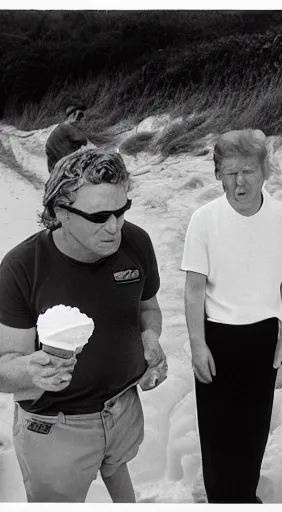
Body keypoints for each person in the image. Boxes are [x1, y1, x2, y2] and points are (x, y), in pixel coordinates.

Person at [0, 149, 167, 502]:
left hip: (122, 408)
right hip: (56, 426)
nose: (114, 226)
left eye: (122, 211)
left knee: (117, 470)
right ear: (60, 211)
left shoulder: (136, 242)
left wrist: (150, 338)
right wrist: (31, 371)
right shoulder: (22, 267)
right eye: (99, 216)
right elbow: (3, 369)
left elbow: (148, 308)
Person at [181, 129, 282, 503]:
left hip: (263, 338)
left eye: (248, 170)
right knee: (218, 441)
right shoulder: (204, 219)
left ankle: (245, 499)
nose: (240, 181)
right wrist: (198, 344)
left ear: (264, 171)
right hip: (217, 339)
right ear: (218, 174)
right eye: (230, 172)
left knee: (253, 435)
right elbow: (194, 289)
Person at [45, 104, 90, 173]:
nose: (80, 118)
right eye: (79, 115)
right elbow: (84, 141)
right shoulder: (67, 127)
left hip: (54, 165)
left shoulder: (61, 126)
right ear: (71, 115)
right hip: (62, 166)